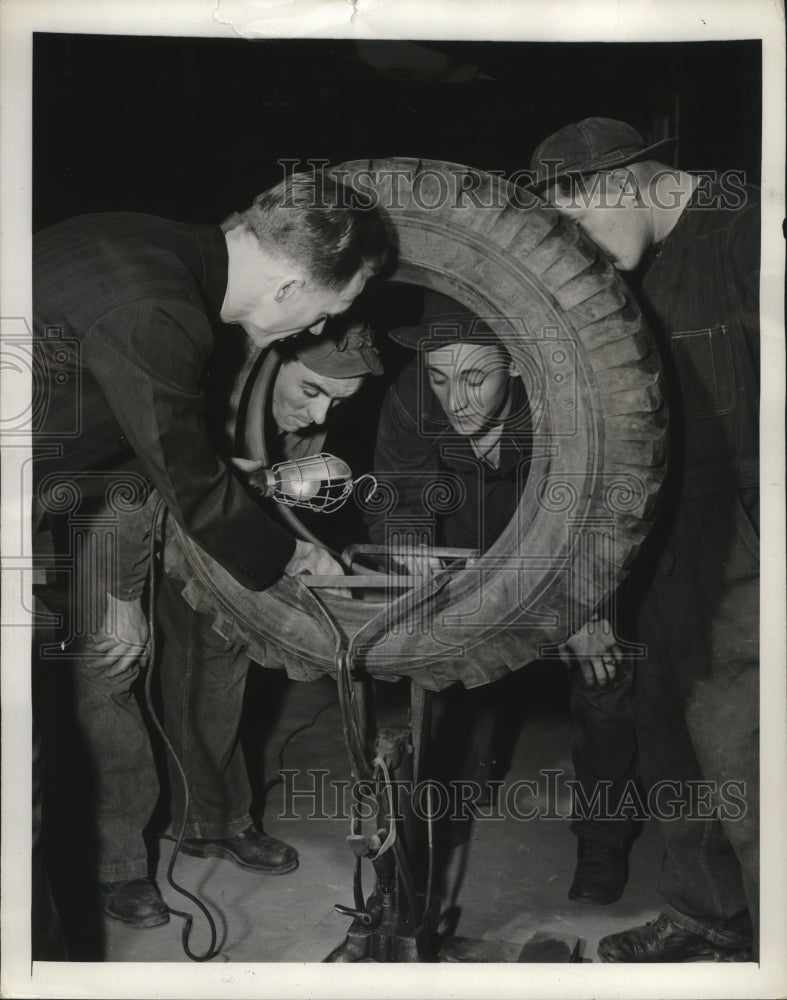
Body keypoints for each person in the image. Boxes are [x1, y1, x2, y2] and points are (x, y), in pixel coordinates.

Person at [32, 174, 390, 928]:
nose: (312, 330)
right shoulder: (161, 306)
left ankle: (207, 822)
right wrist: (293, 557)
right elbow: (182, 466)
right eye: (327, 310)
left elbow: (138, 448)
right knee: (52, 736)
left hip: (65, 488)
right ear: (291, 282)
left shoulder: (145, 237)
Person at [527, 117, 759, 961]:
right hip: (654, 542)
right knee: (670, 741)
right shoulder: (632, 266)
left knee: (747, 751)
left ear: (621, 182)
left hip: (741, 548)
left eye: (577, 222)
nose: (580, 250)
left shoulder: (749, 227)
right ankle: (706, 915)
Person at [366, 291, 630, 891]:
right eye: (438, 377)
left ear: (515, 362)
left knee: (604, 676)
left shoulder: (566, 399)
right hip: (468, 548)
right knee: (449, 670)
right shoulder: (412, 394)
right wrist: (407, 543)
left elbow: (607, 509)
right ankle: (453, 805)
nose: (454, 401)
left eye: (475, 378)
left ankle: (602, 841)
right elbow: (396, 487)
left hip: (563, 550)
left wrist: (583, 605)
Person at [153, 323, 383, 904]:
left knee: (224, 660)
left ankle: (208, 817)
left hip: (237, 533)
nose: (320, 412)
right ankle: (207, 825)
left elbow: (292, 509)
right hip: (153, 526)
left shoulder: (305, 423)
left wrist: (317, 558)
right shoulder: (211, 387)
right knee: (203, 659)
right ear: (271, 363)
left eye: (338, 401)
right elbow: (183, 491)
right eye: (310, 391)